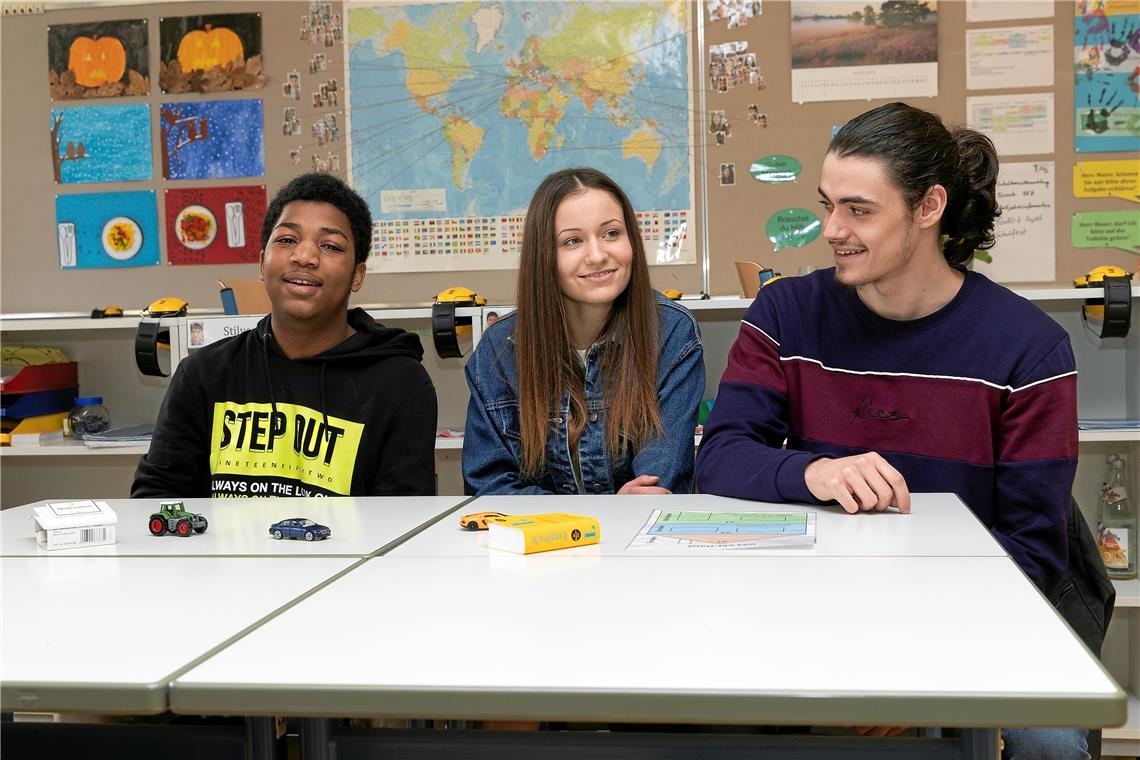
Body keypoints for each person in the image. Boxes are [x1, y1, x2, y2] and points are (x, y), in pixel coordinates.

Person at [695, 102, 1085, 759]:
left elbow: (1033, 552)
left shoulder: (1030, 350)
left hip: (967, 615)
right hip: (815, 614)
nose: (832, 229)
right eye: (827, 205)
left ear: (929, 207)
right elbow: (721, 459)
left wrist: (920, 662)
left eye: (859, 210)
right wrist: (813, 471)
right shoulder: (785, 312)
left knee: (1050, 746)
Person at [132, 173, 437, 499]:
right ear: (262, 262)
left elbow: (403, 523)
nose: (304, 256)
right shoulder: (203, 375)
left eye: (330, 246)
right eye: (287, 240)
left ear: (357, 275)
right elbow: (157, 504)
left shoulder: (400, 384)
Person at [463, 167, 704, 496]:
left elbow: (656, 487)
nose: (597, 255)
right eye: (572, 241)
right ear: (544, 256)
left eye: (611, 234)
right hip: (541, 546)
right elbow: (487, 487)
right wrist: (600, 512)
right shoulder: (501, 348)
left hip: (637, 545)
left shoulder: (671, 332)